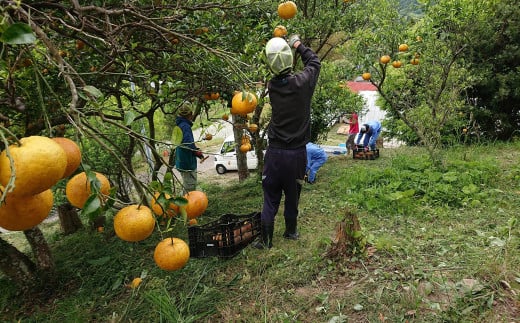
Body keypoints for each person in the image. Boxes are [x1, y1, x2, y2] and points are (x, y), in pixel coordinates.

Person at [253, 34, 321, 249]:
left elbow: (282, 72)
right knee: (293, 195)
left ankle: (266, 240)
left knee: (270, 197)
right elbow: (314, 62)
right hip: (297, 154)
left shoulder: (273, 86)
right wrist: (297, 44)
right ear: (290, 60)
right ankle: (291, 231)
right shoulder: (303, 83)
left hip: (275, 153)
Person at [174, 102, 204, 193]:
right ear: (190, 114)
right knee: (190, 186)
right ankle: (186, 206)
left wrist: (195, 150)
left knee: (187, 184)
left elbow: (184, 143)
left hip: (181, 160)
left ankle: (183, 204)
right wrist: (197, 152)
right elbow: (188, 144)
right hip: (186, 162)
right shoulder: (185, 126)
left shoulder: (179, 125)